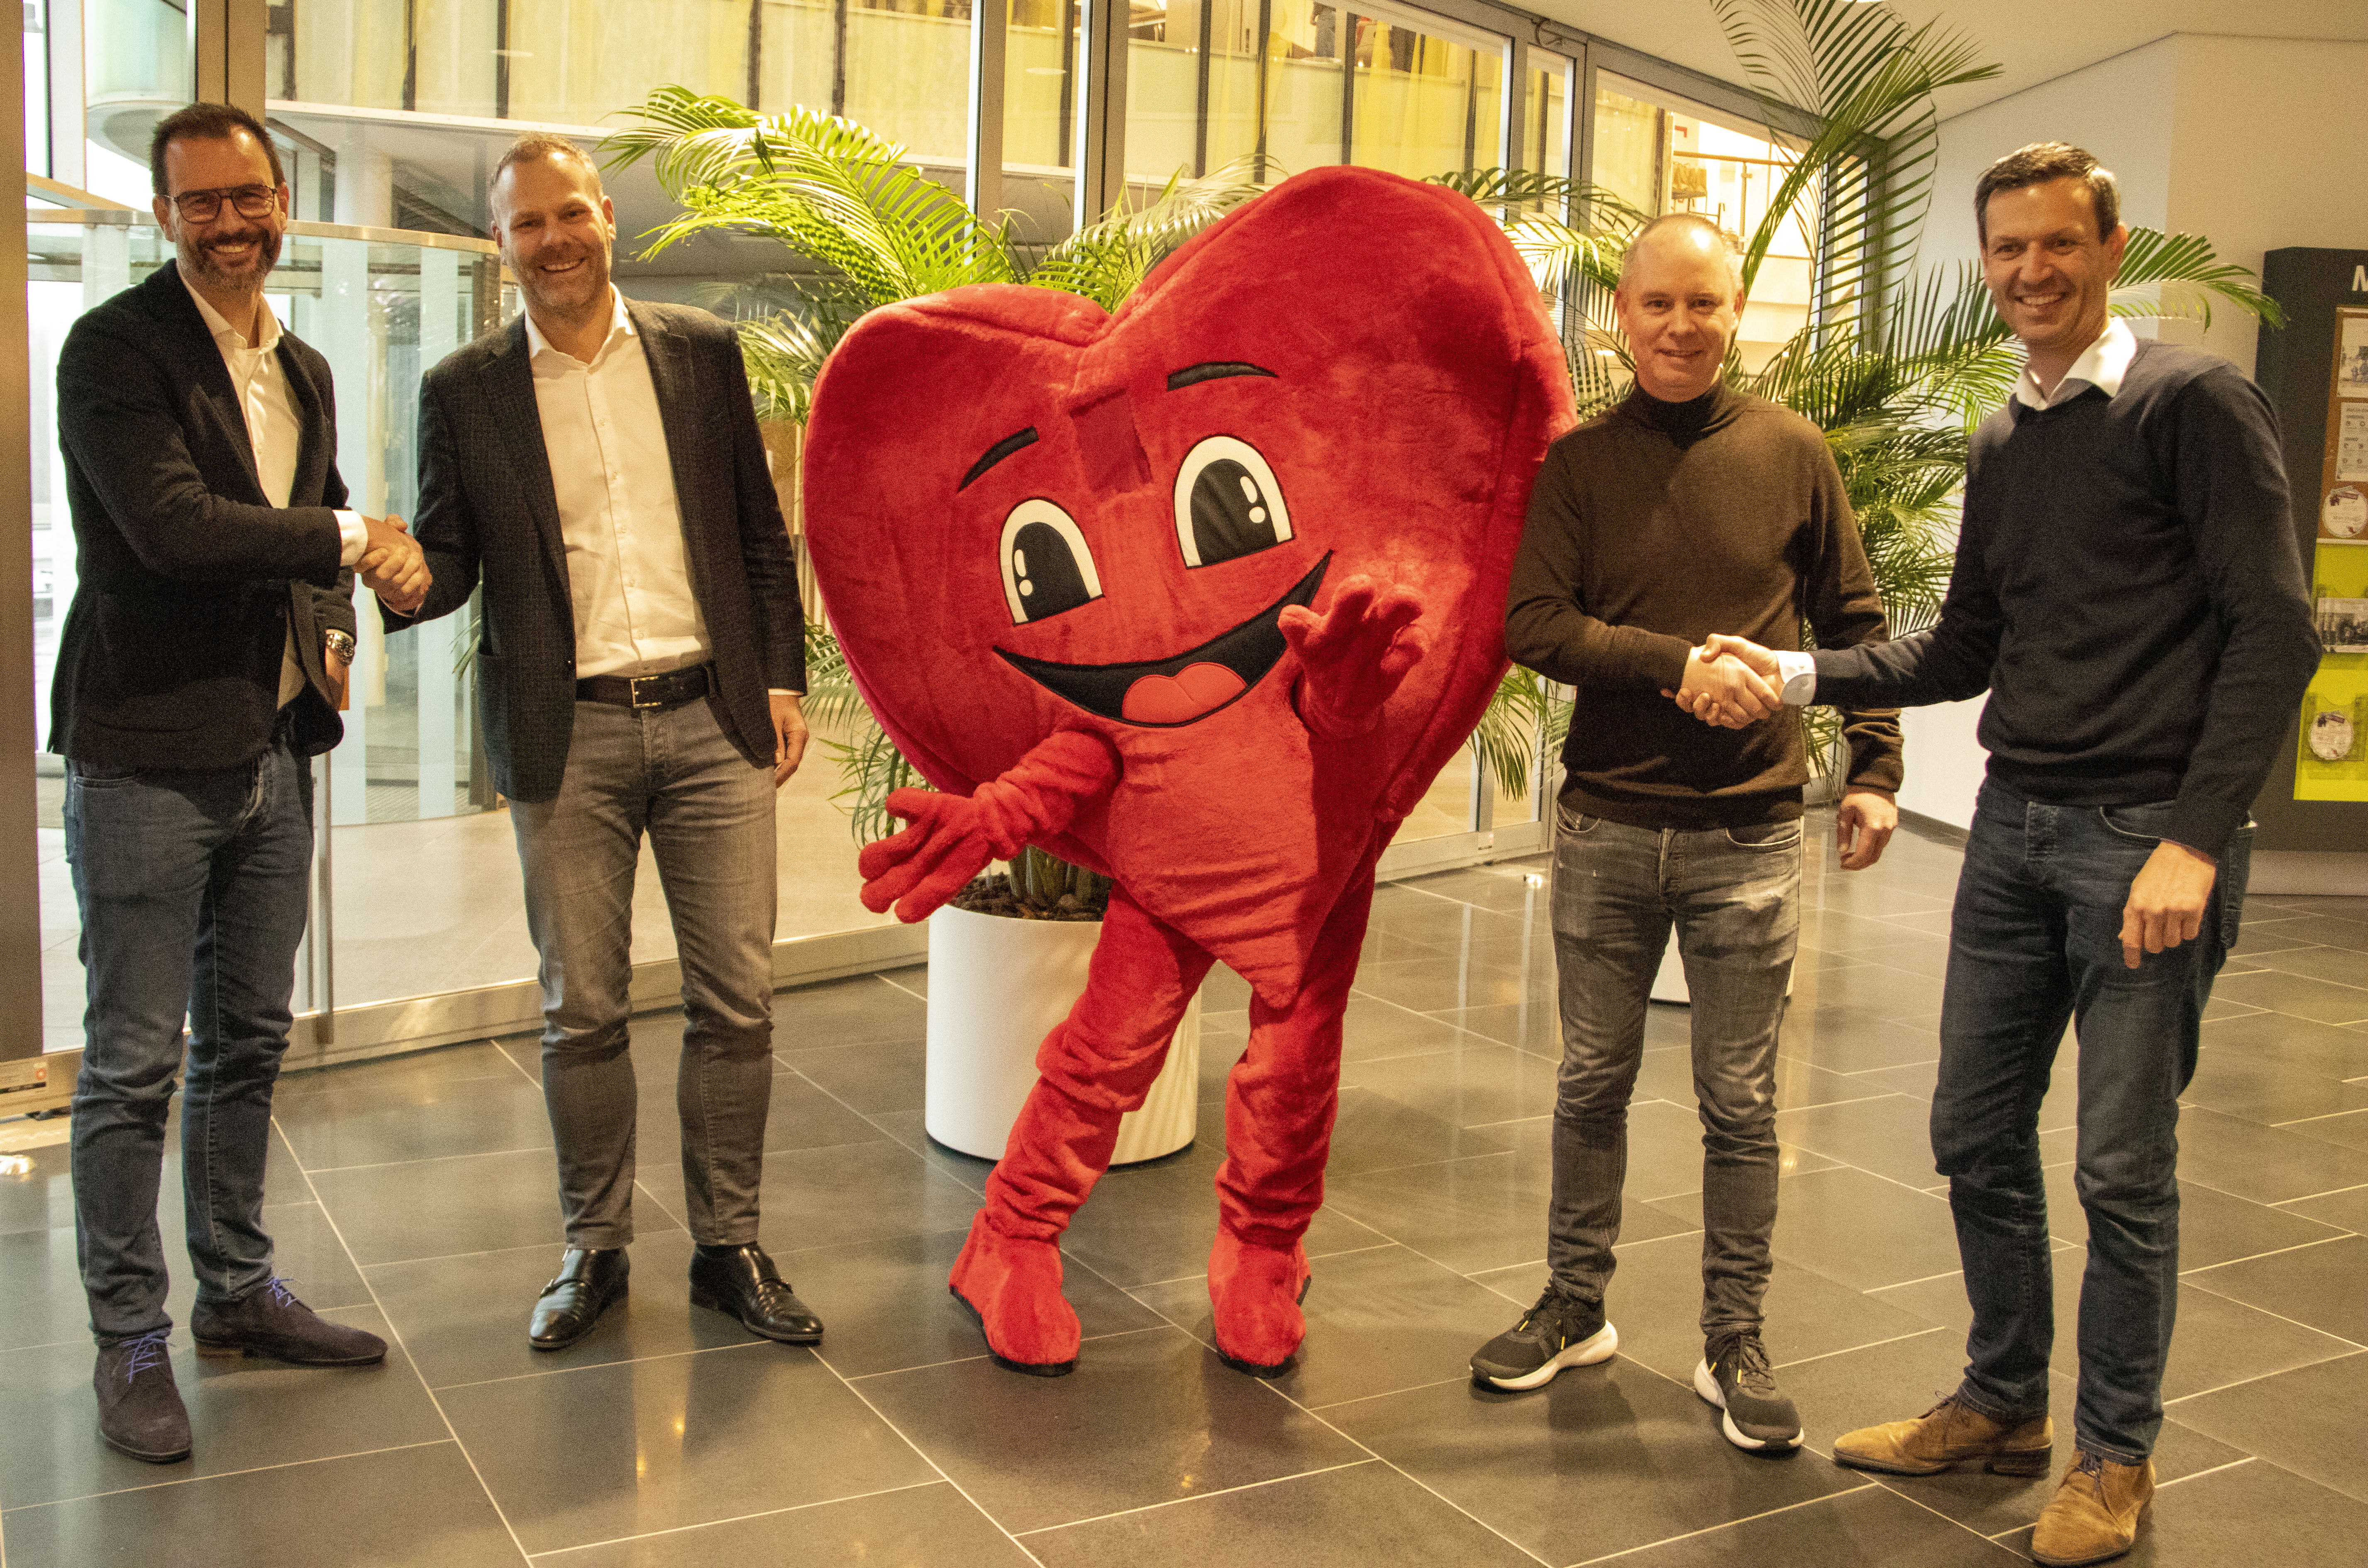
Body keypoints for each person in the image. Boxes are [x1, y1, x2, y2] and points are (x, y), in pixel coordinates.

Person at [1701, 144, 2318, 1566]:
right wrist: (1793, 674)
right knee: (1972, 1133)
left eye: (2057, 243)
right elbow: (1964, 644)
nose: (2030, 271)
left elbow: (2274, 631)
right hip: (2014, 829)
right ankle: (2000, 1401)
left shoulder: (2191, 405)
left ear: (2110, 248)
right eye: (2006, 250)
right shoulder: (2004, 436)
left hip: (2142, 847)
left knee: (2120, 1168)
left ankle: (2114, 1456)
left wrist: (2193, 839)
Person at [1472, 213, 1902, 1453]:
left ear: (1735, 313)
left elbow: (1855, 621)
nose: (1678, 327)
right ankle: (1574, 1305)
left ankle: (1733, 1338)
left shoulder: (1792, 452)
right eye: (1657, 304)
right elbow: (1535, 622)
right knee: (1590, 1081)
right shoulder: (1580, 464)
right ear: (1622, 316)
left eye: (1702, 304)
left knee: (1741, 1101)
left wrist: (1875, 767)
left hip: (1750, 833)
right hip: (1607, 824)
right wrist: (1683, 668)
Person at [389, 134, 821, 1353]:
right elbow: (450, 556)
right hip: (564, 730)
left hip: (713, 719)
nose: (554, 240)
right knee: (580, 1008)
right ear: (499, 244)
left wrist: (780, 677)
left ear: (606, 219)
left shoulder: (699, 351)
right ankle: (595, 1246)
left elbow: (758, 530)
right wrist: (401, 575)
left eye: (570, 213)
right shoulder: (464, 389)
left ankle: (729, 1246)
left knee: (737, 1000)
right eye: (527, 223)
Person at [55, 102, 429, 1463]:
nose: (230, 223)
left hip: (276, 747)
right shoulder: (115, 350)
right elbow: (172, 528)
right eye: (201, 202)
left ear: (282, 203)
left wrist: (365, 587)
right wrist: (350, 533)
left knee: (249, 1041)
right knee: (133, 1061)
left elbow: (312, 533)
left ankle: (234, 1289)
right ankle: (129, 1337)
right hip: (148, 752)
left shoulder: (304, 363)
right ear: (163, 215)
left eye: (250, 197)